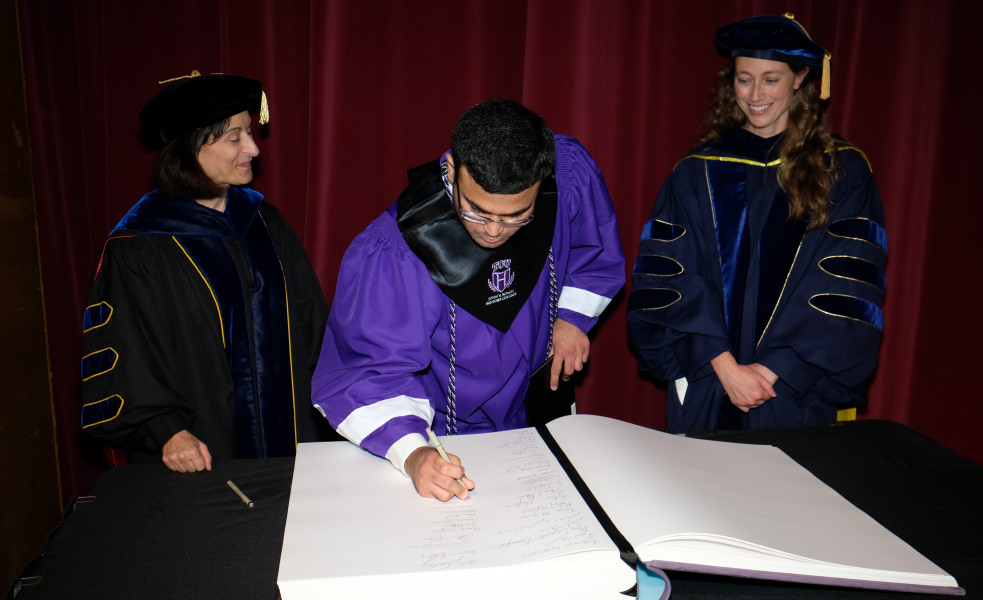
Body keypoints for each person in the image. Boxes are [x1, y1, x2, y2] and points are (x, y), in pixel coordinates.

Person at [312, 98, 624, 501]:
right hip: (442, 434)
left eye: (516, 216)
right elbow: (368, 371)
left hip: (534, 407)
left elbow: (592, 245)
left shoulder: (565, 176)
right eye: (477, 210)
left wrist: (573, 317)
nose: (494, 231)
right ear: (450, 168)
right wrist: (414, 454)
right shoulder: (395, 251)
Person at [627, 14, 887, 431]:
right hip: (709, 378)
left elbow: (845, 281)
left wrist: (770, 372)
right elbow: (670, 277)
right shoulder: (696, 171)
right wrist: (727, 368)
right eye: (744, 79)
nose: (755, 94)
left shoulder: (842, 169)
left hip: (796, 386)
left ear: (801, 78)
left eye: (771, 79)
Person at [80, 72, 330, 471]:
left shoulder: (262, 221)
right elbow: (128, 353)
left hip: (293, 445)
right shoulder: (141, 246)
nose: (252, 148)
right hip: (199, 452)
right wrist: (168, 431)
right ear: (189, 147)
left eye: (250, 132)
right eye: (235, 137)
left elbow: (311, 323)